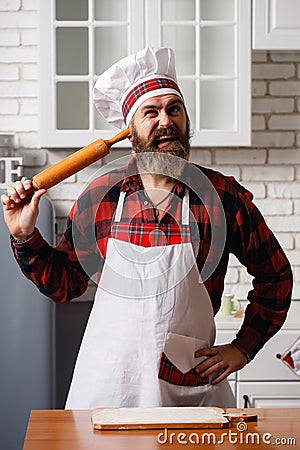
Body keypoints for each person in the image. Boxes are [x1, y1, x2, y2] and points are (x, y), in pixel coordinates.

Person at [1, 47, 293, 409]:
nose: (165, 121)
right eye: (150, 112)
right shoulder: (100, 196)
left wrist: (243, 346)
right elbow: (64, 285)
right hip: (110, 385)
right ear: (131, 130)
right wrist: (23, 235)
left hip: (188, 387)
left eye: (174, 109)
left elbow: (276, 276)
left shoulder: (221, 196)